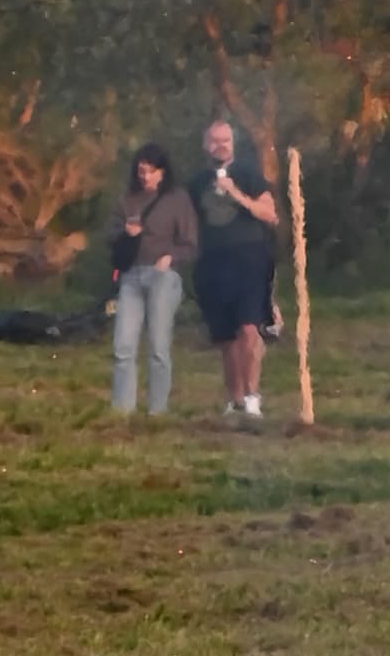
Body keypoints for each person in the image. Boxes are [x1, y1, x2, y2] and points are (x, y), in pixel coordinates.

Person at [192, 113, 282, 424]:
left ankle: (253, 397)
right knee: (225, 338)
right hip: (212, 264)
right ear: (206, 145)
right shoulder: (196, 182)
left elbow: (270, 214)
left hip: (249, 258)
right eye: (215, 141)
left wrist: (237, 195)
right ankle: (235, 399)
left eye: (225, 140)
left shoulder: (248, 173)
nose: (220, 146)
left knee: (249, 329)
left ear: (234, 144)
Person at [107, 140, 198, 421]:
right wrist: (126, 232)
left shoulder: (177, 199)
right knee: (123, 345)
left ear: (163, 171)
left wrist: (171, 257)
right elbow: (109, 237)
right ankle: (123, 410)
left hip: (163, 276)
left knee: (158, 345)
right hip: (132, 276)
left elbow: (190, 243)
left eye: (151, 171)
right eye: (141, 171)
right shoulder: (127, 200)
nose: (145, 177)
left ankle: (158, 410)